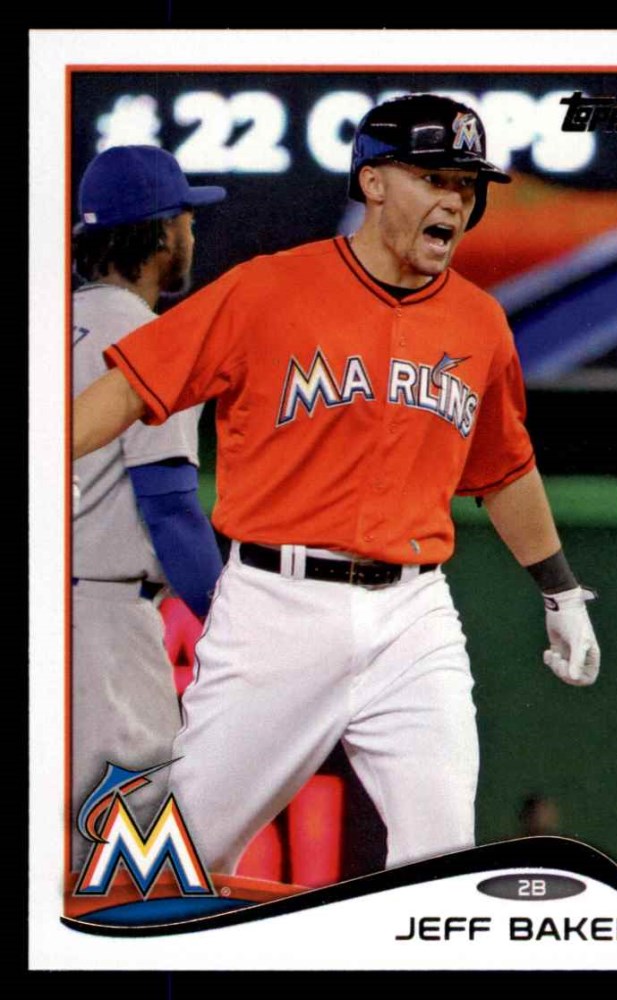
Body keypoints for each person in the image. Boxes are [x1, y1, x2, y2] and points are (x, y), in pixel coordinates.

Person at [72, 95, 600, 876]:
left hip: (414, 616)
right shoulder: (267, 289)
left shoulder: (479, 322)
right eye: (433, 178)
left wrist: (559, 592)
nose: (455, 199)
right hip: (276, 607)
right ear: (373, 182)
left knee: (441, 852)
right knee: (182, 858)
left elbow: (504, 468)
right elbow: (131, 386)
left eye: (466, 184)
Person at [71, 145, 226, 870]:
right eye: (187, 218)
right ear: (163, 233)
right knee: (130, 852)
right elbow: (169, 510)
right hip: (100, 627)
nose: (192, 233)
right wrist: (236, 628)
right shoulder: (150, 340)